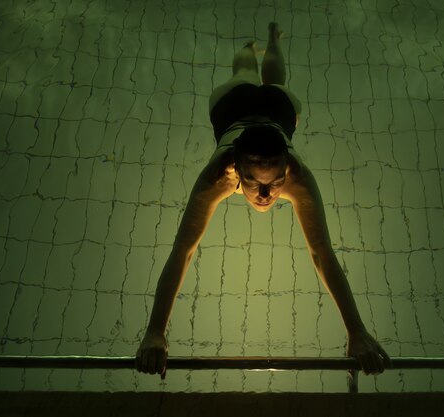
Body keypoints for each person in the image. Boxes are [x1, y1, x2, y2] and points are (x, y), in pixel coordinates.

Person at [136, 22, 391, 379]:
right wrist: (155, 331)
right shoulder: (215, 178)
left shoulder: (299, 179)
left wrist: (356, 332)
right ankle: (252, 44)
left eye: (275, 182)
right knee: (245, 73)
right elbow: (184, 250)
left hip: (277, 111)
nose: (266, 195)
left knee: (274, 86)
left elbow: (321, 254)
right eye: (254, 182)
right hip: (231, 107)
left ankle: (268, 41)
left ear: (288, 169)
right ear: (236, 170)